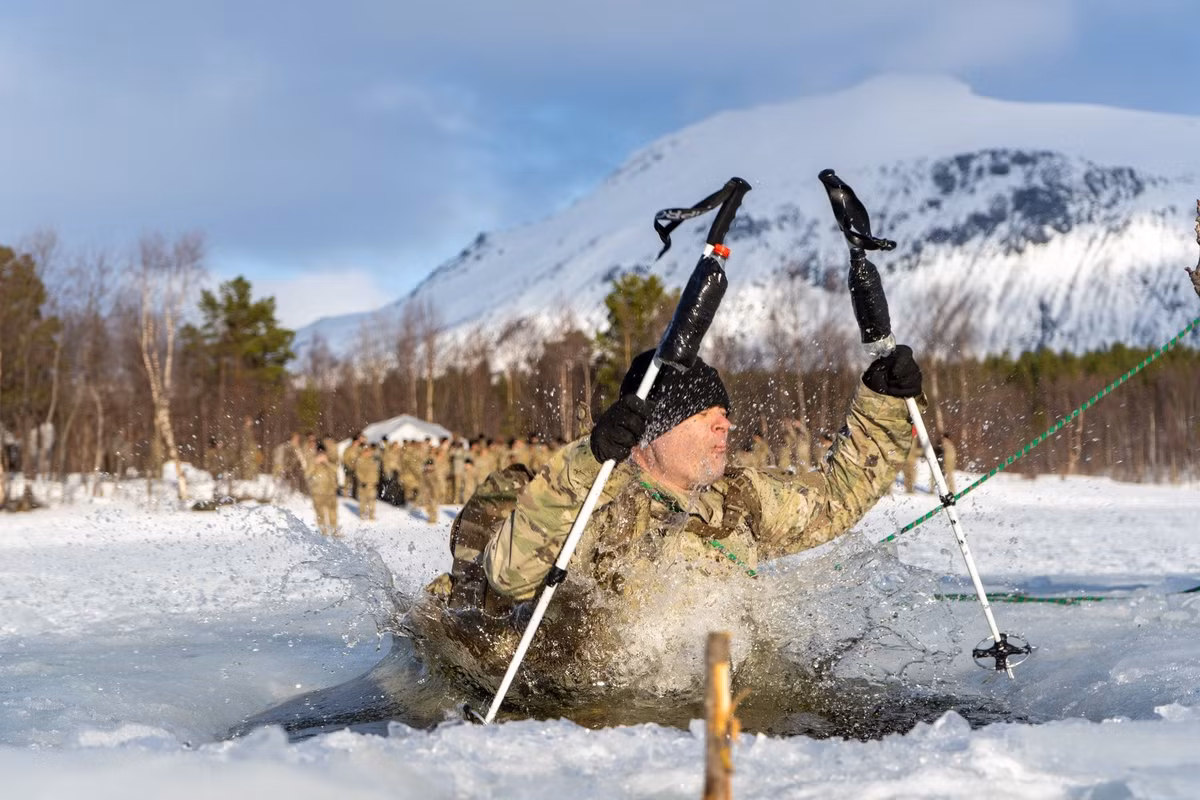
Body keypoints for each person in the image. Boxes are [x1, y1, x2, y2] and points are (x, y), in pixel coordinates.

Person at [461, 344, 922, 611]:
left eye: (724, 412)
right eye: (703, 413)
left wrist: (881, 404)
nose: (725, 424)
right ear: (652, 430)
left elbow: (838, 499)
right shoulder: (596, 501)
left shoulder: (740, 498)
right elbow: (510, 577)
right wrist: (589, 459)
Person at [306, 443, 340, 537]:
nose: (321, 454)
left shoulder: (330, 460)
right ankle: (323, 532)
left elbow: (336, 470)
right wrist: (315, 463)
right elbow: (307, 474)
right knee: (320, 514)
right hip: (317, 492)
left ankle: (334, 531)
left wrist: (327, 462)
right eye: (319, 452)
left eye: (322, 452)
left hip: (330, 492)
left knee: (333, 513)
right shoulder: (312, 461)